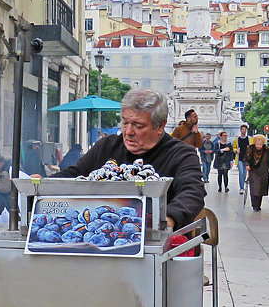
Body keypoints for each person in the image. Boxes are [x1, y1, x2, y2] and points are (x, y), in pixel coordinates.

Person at [57, 88, 205, 230]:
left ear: (160, 126)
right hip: (101, 235)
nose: (128, 132)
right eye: (125, 123)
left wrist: (167, 218)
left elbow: (192, 192)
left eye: (138, 126)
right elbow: (73, 175)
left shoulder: (182, 154)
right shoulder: (106, 146)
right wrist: (41, 183)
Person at [245, 134, 269, 212]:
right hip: (253, 171)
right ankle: (254, 205)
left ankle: (258, 205)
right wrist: (247, 165)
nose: (258, 146)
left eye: (260, 144)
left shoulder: (267, 150)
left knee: (261, 189)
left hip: (263, 172)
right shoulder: (250, 149)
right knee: (254, 189)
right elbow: (246, 159)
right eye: (257, 144)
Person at [233, 124, 251, 193]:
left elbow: (252, 147)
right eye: (243, 129)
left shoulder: (249, 139)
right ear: (240, 130)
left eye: (245, 129)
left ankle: (242, 184)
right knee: (241, 172)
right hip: (240, 158)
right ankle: (241, 187)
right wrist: (236, 151)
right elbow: (234, 147)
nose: (244, 131)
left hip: (247, 159)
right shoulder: (237, 139)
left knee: (245, 173)